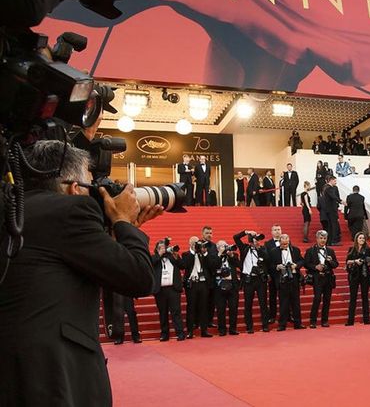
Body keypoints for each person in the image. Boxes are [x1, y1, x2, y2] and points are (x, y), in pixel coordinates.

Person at [0, 140, 160, 407]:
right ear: (74, 188)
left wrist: (116, 233)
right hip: (52, 379)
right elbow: (140, 278)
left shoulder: (16, 212)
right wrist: (123, 222)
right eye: (90, 184)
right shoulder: (70, 210)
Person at [235, 230, 270, 333]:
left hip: (260, 280)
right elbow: (235, 238)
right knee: (248, 304)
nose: (258, 241)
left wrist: (258, 248)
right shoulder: (244, 248)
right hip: (248, 280)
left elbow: (267, 259)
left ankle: (265, 325)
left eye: (259, 240)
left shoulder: (262, 249)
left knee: (263, 303)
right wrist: (245, 232)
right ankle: (249, 327)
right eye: (256, 239)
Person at [151, 240, 186, 342]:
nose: (163, 249)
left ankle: (180, 333)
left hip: (173, 289)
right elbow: (151, 263)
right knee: (163, 313)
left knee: (176, 312)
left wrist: (175, 255)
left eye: (164, 247)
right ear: (157, 249)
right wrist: (159, 254)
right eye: (161, 247)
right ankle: (164, 334)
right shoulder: (154, 258)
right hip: (160, 290)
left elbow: (182, 266)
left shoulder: (172, 256)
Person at [271, 234, 306, 331]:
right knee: (283, 302)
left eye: (287, 242)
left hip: (294, 277)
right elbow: (270, 265)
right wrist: (277, 267)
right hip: (282, 279)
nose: (285, 244)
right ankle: (282, 324)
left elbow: (302, 261)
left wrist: (296, 265)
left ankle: (298, 323)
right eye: (283, 242)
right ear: (280, 241)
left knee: (296, 302)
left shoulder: (295, 250)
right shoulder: (274, 252)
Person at [305, 231, 339, 327]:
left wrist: (331, 261)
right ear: (317, 238)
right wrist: (315, 267)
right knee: (317, 298)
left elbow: (336, 264)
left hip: (328, 278)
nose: (323, 240)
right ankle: (313, 321)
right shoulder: (310, 250)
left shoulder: (331, 251)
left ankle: (324, 320)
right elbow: (306, 263)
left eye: (324, 238)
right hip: (317, 278)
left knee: (327, 300)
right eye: (321, 238)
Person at [182, 237, 215, 338]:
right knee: (191, 307)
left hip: (203, 283)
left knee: (204, 307)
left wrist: (204, 253)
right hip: (192, 283)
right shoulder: (186, 254)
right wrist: (193, 251)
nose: (196, 244)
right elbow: (186, 265)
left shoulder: (204, 254)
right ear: (189, 243)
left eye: (197, 243)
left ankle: (204, 330)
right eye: (193, 243)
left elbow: (211, 265)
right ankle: (190, 331)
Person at [211, 240, 240, 336]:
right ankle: (222, 329)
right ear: (217, 247)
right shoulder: (214, 256)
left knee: (233, 308)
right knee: (220, 309)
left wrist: (231, 255)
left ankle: (233, 329)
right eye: (222, 246)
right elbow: (214, 266)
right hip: (219, 285)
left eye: (225, 245)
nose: (224, 248)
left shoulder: (233, 255)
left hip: (232, 285)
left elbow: (238, 264)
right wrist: (219, 254)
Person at [345, 232, 370, 326]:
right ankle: (350, 321)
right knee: (353, 297)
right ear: (356, 239)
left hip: (364, 275)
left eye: (363, 238)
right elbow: (347, 261)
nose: (362, 239)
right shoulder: (351, 249)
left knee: (365, 297)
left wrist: (367, 262)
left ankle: (366, 319)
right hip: (354, 275)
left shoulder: (368, 249)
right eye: (360, 238)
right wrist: (355, 261)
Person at [264, 225, 283, 324]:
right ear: (271, 232)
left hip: (285, 274)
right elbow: (267, 260)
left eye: (279, 229)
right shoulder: (267, 244)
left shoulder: (286, 241)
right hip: (273, 274)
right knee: (272, 296)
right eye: (275, 230)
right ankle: (272, 316)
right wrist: (269, 273)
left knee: (285, 296)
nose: (277, 232)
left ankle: (287, 315)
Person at [324, 175, 342, 245]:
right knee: (333, 225)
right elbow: (334, 196)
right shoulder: (329, 188)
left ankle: (330, 241)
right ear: (331, 180)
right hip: (331, 210)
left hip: (329, 210)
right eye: (335, 181)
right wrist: (341, 201)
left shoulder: (327, 188)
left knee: (331, 226)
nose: (336, 182)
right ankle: (334, 241)